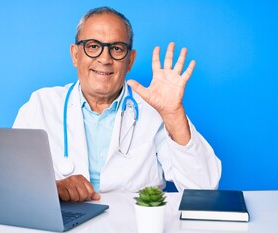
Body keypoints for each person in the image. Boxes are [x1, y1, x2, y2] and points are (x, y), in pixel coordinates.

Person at [13, 7, 221, 202]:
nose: (105, 58)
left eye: (117, 48)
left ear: (130, 61)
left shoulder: (156, 110)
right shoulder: (40, 104)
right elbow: (13, 184)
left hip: (136, 228)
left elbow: (203, 189)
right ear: (75, 54)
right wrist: (52, 188)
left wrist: (174, 114)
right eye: (93, 46)